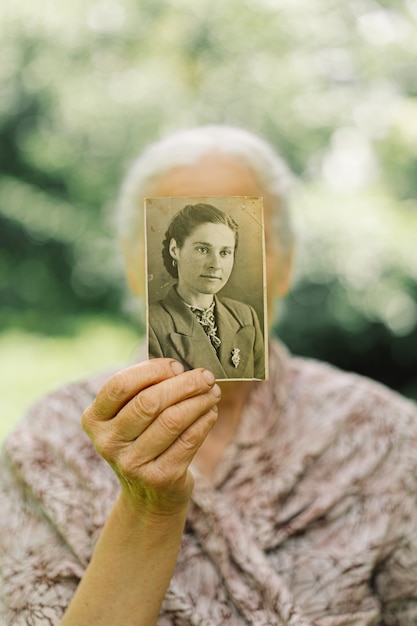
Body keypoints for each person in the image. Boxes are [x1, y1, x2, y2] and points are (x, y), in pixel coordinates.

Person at [1, 125, 417, 626]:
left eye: (234, 246)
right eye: (187, 242)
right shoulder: (49, 443)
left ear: (283, 264)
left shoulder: (386, 437)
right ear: (140, 265)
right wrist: (146, 508)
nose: (215, 266)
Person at [148, 202, 266, 379]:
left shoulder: (245, 315)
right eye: (202, 249)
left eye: (225, 252)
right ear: (175, 249)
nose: (216, 265)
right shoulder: (152, 323)